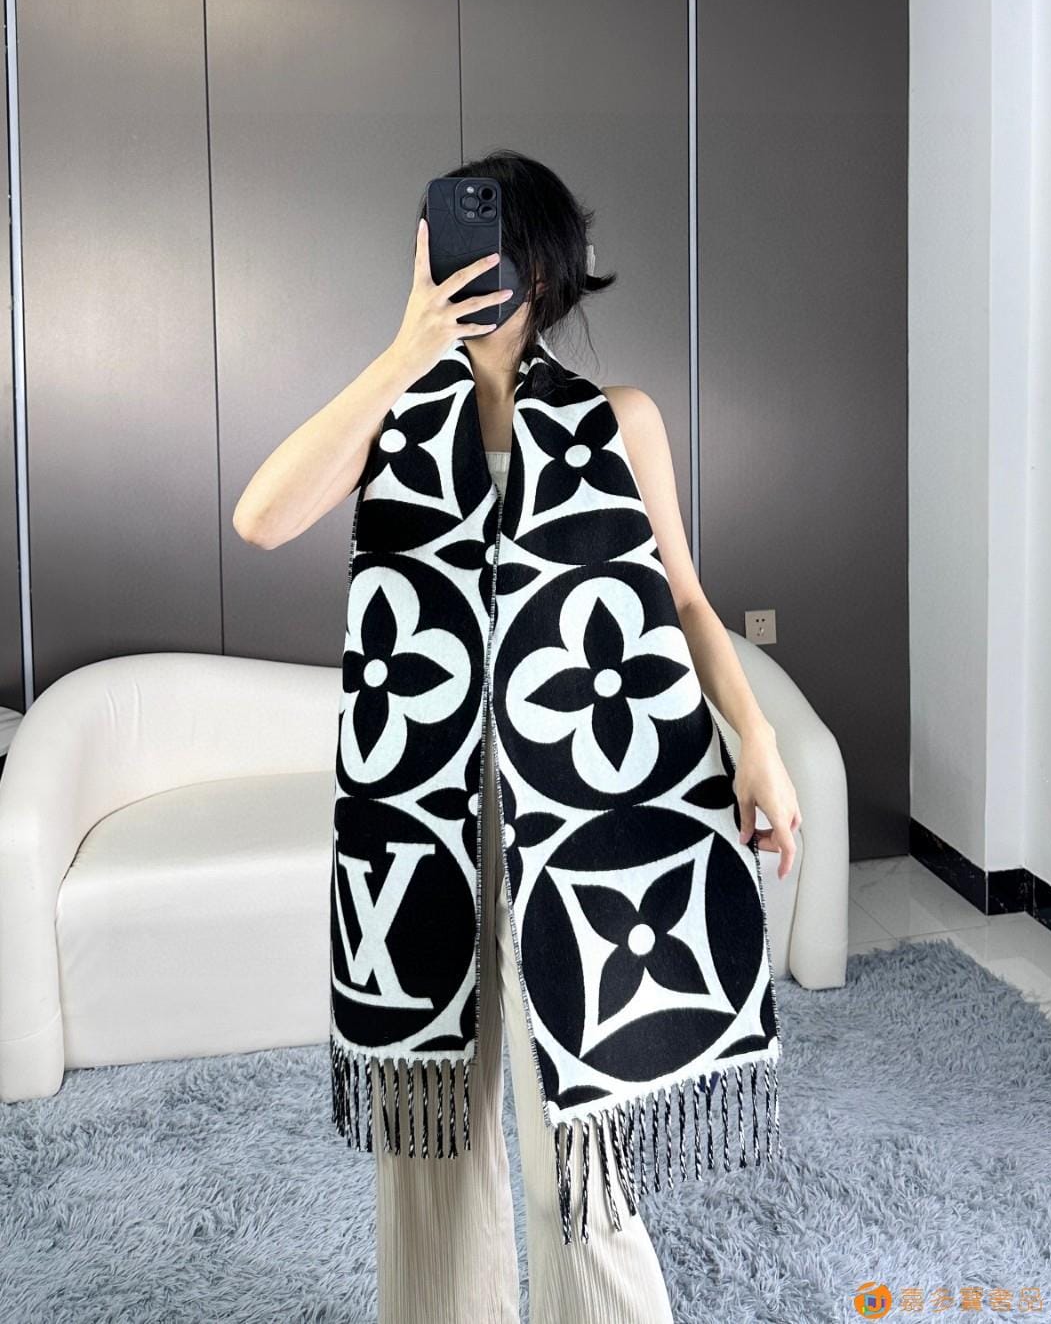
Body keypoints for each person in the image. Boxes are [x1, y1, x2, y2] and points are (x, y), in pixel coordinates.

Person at [234, 150, 800, 1324]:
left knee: (580, 1131)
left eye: (492, 248)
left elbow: (686, 601)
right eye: (446, 244)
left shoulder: (618, 419)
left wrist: (758, 738)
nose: (468, 269)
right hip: (425, 815)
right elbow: (262, 516)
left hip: (586, 815)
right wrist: (403, 352)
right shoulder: (393, 416)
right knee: (432, 1131)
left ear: (542, 268)